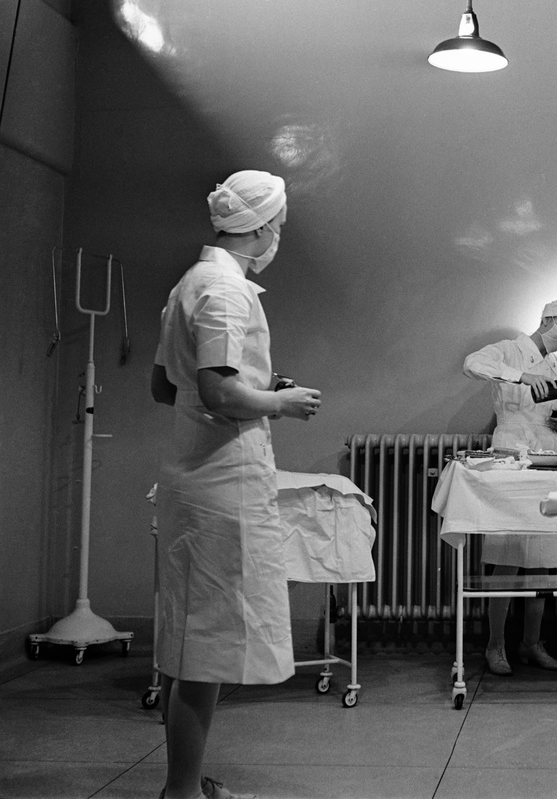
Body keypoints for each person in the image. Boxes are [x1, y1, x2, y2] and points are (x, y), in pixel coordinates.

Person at [150, 170, 322, 799]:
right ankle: (182, 792)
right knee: (209, 646)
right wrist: (284, 403)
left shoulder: (189, 284)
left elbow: (166, 387)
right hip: (222, 485)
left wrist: (256, 390)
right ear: (265, 225)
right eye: (280, 224)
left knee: (188, 637)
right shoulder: (226, 290)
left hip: (190, 477)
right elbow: (219, 392)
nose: (281, 234)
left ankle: (184, 783)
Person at [462, 297, 557, 676]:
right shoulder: (509, 350)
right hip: (512, 448)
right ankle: (495, 644)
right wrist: (521, 377)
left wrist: (555, 420)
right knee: (509, 551)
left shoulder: (555, 364)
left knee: (545, 553)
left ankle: (532, 643)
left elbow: (543, 412)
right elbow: (472, 364)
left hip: (547, 449)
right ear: (546, 319)